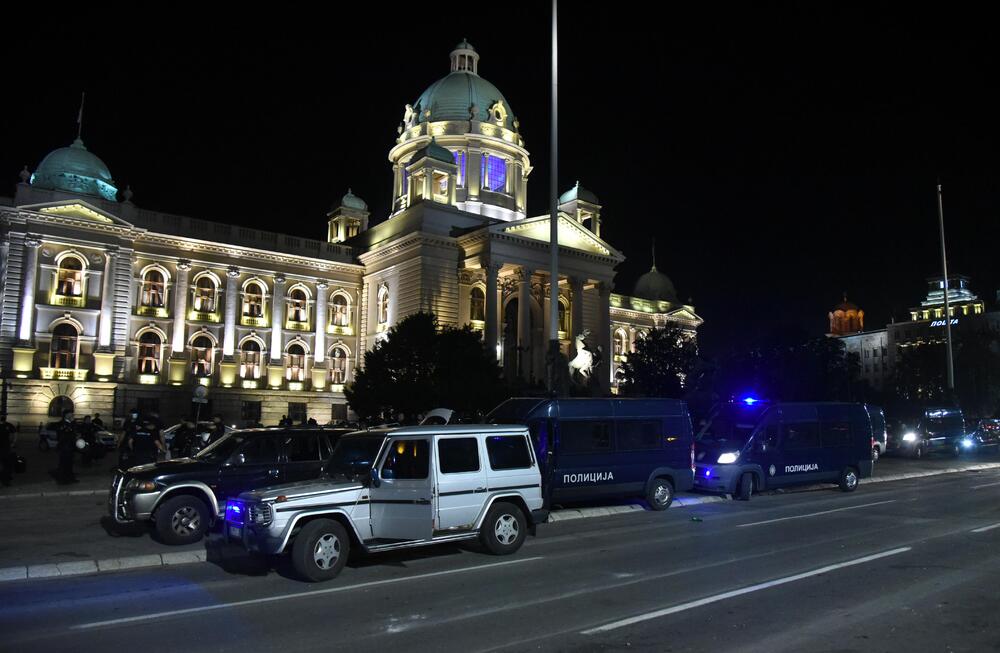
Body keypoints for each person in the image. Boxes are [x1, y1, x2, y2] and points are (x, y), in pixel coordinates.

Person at [56, 409, 79, 484]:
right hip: (64, 447)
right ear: (66, 415)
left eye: (72, 414)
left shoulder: (72, 423)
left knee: (70, 463)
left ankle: (70, 478)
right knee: (63, 464)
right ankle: (62, 479)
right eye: (70, 414)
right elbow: (62, 435)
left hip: (71, 447)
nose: (72, 415)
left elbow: (75, 432)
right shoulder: (61, 423)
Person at [0, 417, 15, 487]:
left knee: (6, 466)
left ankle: (5, 480)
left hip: (6, 449)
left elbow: (14, 433)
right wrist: (13, 442)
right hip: (6, 449)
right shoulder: (8, 425)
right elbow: (15, 433)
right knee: (7, 466)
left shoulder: (8, 425)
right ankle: (5, 481)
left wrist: (13, 442)